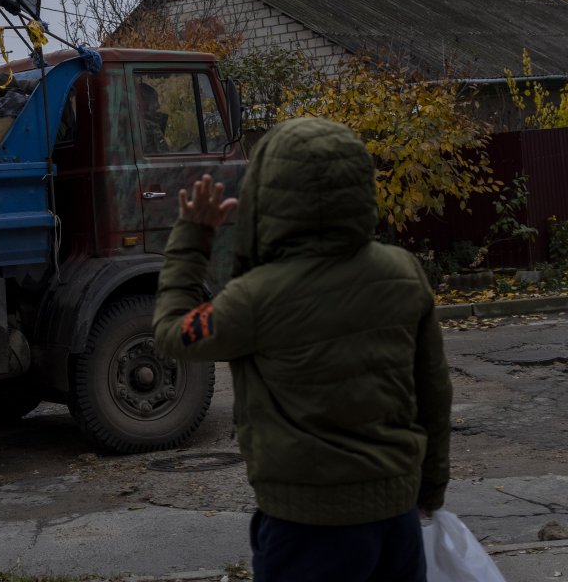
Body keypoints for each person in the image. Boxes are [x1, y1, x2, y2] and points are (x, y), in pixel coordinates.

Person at [152, 117, 452, 582]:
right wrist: (429, 488)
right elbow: (433, 389)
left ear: (266, 198)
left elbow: (173, 332)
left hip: (306, 529)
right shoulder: (403, 272)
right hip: (396, 517)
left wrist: (194, 236)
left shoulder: (254, 297)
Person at [137, 82, 169, 153]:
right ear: (144, 104)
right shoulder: (151, 127)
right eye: (154, 100)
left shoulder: (129, 126)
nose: (158, 106)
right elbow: (165, 155)